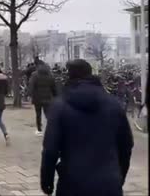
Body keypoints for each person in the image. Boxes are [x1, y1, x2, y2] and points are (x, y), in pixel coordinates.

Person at [40, 59, 134, 196]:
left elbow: (50, 149)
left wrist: (47, 181)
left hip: (72, 184)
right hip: (108, 183)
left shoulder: (59, 106)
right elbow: (126, 145)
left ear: (69, 76)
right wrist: (119, 175)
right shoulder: (114, 104)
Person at [28, 63, 57, 136]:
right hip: (48, 98)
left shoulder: (34, 75)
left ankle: (39, 130)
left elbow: (31, 85)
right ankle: (51, 128)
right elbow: (53, 87)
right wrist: (55, 95)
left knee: (38, 114)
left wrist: (29, 94)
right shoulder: (50, 75)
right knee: (48, 114)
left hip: (37, 98)